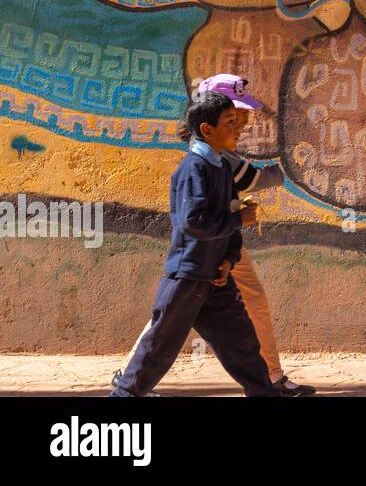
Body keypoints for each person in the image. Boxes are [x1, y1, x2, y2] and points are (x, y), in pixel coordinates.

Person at [116, 74, 317, 396]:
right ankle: (124, 393)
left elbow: (230, 207)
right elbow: (193, 221)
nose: (241, 126)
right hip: (191, 271)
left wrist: (228, 257)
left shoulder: (221, 163)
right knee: (160, 344)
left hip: (215, 270)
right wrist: (237, 220)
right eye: (232, 121)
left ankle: (266, 387)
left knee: (241, 345)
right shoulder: (198, 166)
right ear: (207, 128)